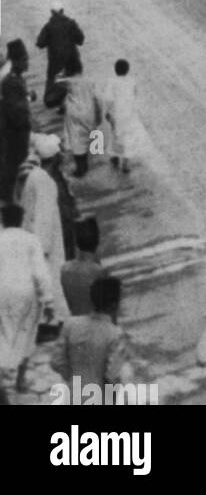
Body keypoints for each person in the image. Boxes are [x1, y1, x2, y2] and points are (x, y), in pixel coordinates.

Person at [0, 202, 54, 400]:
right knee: (26, 334)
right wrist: (48, 301)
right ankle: (20, 379)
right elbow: (40, 272)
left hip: (2, 291)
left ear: (3, 220)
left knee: (4, 334)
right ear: (21, 220)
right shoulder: (31, 240)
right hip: (26, 292)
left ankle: (1, 382)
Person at [53, 275, 133, 398]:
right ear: (114, 305)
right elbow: (114, 376)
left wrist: (71, 379)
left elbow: (57, 361)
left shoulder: (70, 324)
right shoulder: (115, 334)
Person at [15, 134, 69, 316]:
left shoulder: (36, 177)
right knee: (52, 281)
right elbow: (43, 218)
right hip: (46, 245)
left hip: (36, 240)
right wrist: (42, 247)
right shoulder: (44, 181)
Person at [0, 40, 32, 203]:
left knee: (16, 165)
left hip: (19, 132)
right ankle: (10, 200)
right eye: (25, 60)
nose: (27, 63)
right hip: (16, 133)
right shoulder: (10, 82)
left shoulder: (16, 79)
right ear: (16, 61)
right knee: (14, 165)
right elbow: (15, 110)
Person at [60, 53, 101, 179]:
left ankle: (81, 166)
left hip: (74, 114)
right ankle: (93, 152)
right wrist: (98, 113)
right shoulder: (89, 81)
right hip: (89, 112)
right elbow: (95, 98)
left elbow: (56, 81)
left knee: (76, 140)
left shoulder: (68, 82)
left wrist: (63, 73)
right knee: (90, 133)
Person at [101, 59, 145, 173]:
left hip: (116, 113)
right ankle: (126, 163)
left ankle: (115, 156)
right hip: (129, 113)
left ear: (115, 70)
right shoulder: (132, 81)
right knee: (128, 137)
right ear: (128, 70)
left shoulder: (111, 81)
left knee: (116, 135)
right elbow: (135, 95)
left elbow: (108, 99)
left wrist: (107, 112)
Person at [60, 217, 106, 317]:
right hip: (95, 323)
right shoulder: (99, 271)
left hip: (75, 321)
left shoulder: (64, 269)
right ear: (97, 240)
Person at [36, 4, 84, 90]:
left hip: (56, 68)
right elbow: (81, 40)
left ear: (52, 12)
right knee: (77, 89)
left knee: (55, 92)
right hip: (73, 65)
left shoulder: (48, 27)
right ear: (62, 11)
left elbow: (40, 43)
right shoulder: (71, 24)